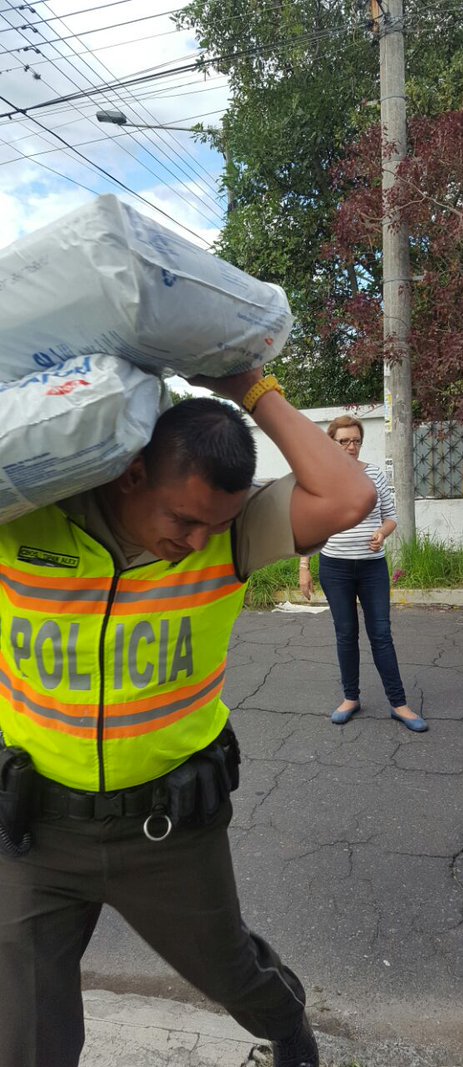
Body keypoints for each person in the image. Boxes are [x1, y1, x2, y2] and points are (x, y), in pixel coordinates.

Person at [0, 369, 377, 1067]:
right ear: (131, 474)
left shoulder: (227, 540)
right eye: (186, 519)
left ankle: (290, 1030)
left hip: (166, 831)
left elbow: (351, 495)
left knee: (230, 971)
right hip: (36, 834)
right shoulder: (21, 520)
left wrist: (253, 388)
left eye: (218, 523)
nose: (199, 539)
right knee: (23, 1034)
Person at [299, 415, 427, 732]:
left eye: (355, 440)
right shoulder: (319, 479)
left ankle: (399, 703)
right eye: (344, 441)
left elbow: (391, 518)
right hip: (335, 567)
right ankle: (350, 698)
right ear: (332, 443)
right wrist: (304, 567)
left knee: (381, 635)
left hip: (372, 569)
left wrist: (382, 534)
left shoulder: (374, 475)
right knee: (346, 634)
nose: (351, 447)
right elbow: (308, 525)